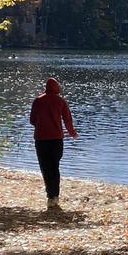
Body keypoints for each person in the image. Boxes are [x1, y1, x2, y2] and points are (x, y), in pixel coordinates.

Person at [29, 77, 77, 210]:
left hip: (41, 140)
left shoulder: (38, 101)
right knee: (55, 167)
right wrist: (72, 133)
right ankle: (55, 195)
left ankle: (50, 196)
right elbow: (68, 120)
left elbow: (32, 120)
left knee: (45, 167)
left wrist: (41, 126)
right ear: (57, 88)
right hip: (56, 140)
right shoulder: (61, 101)